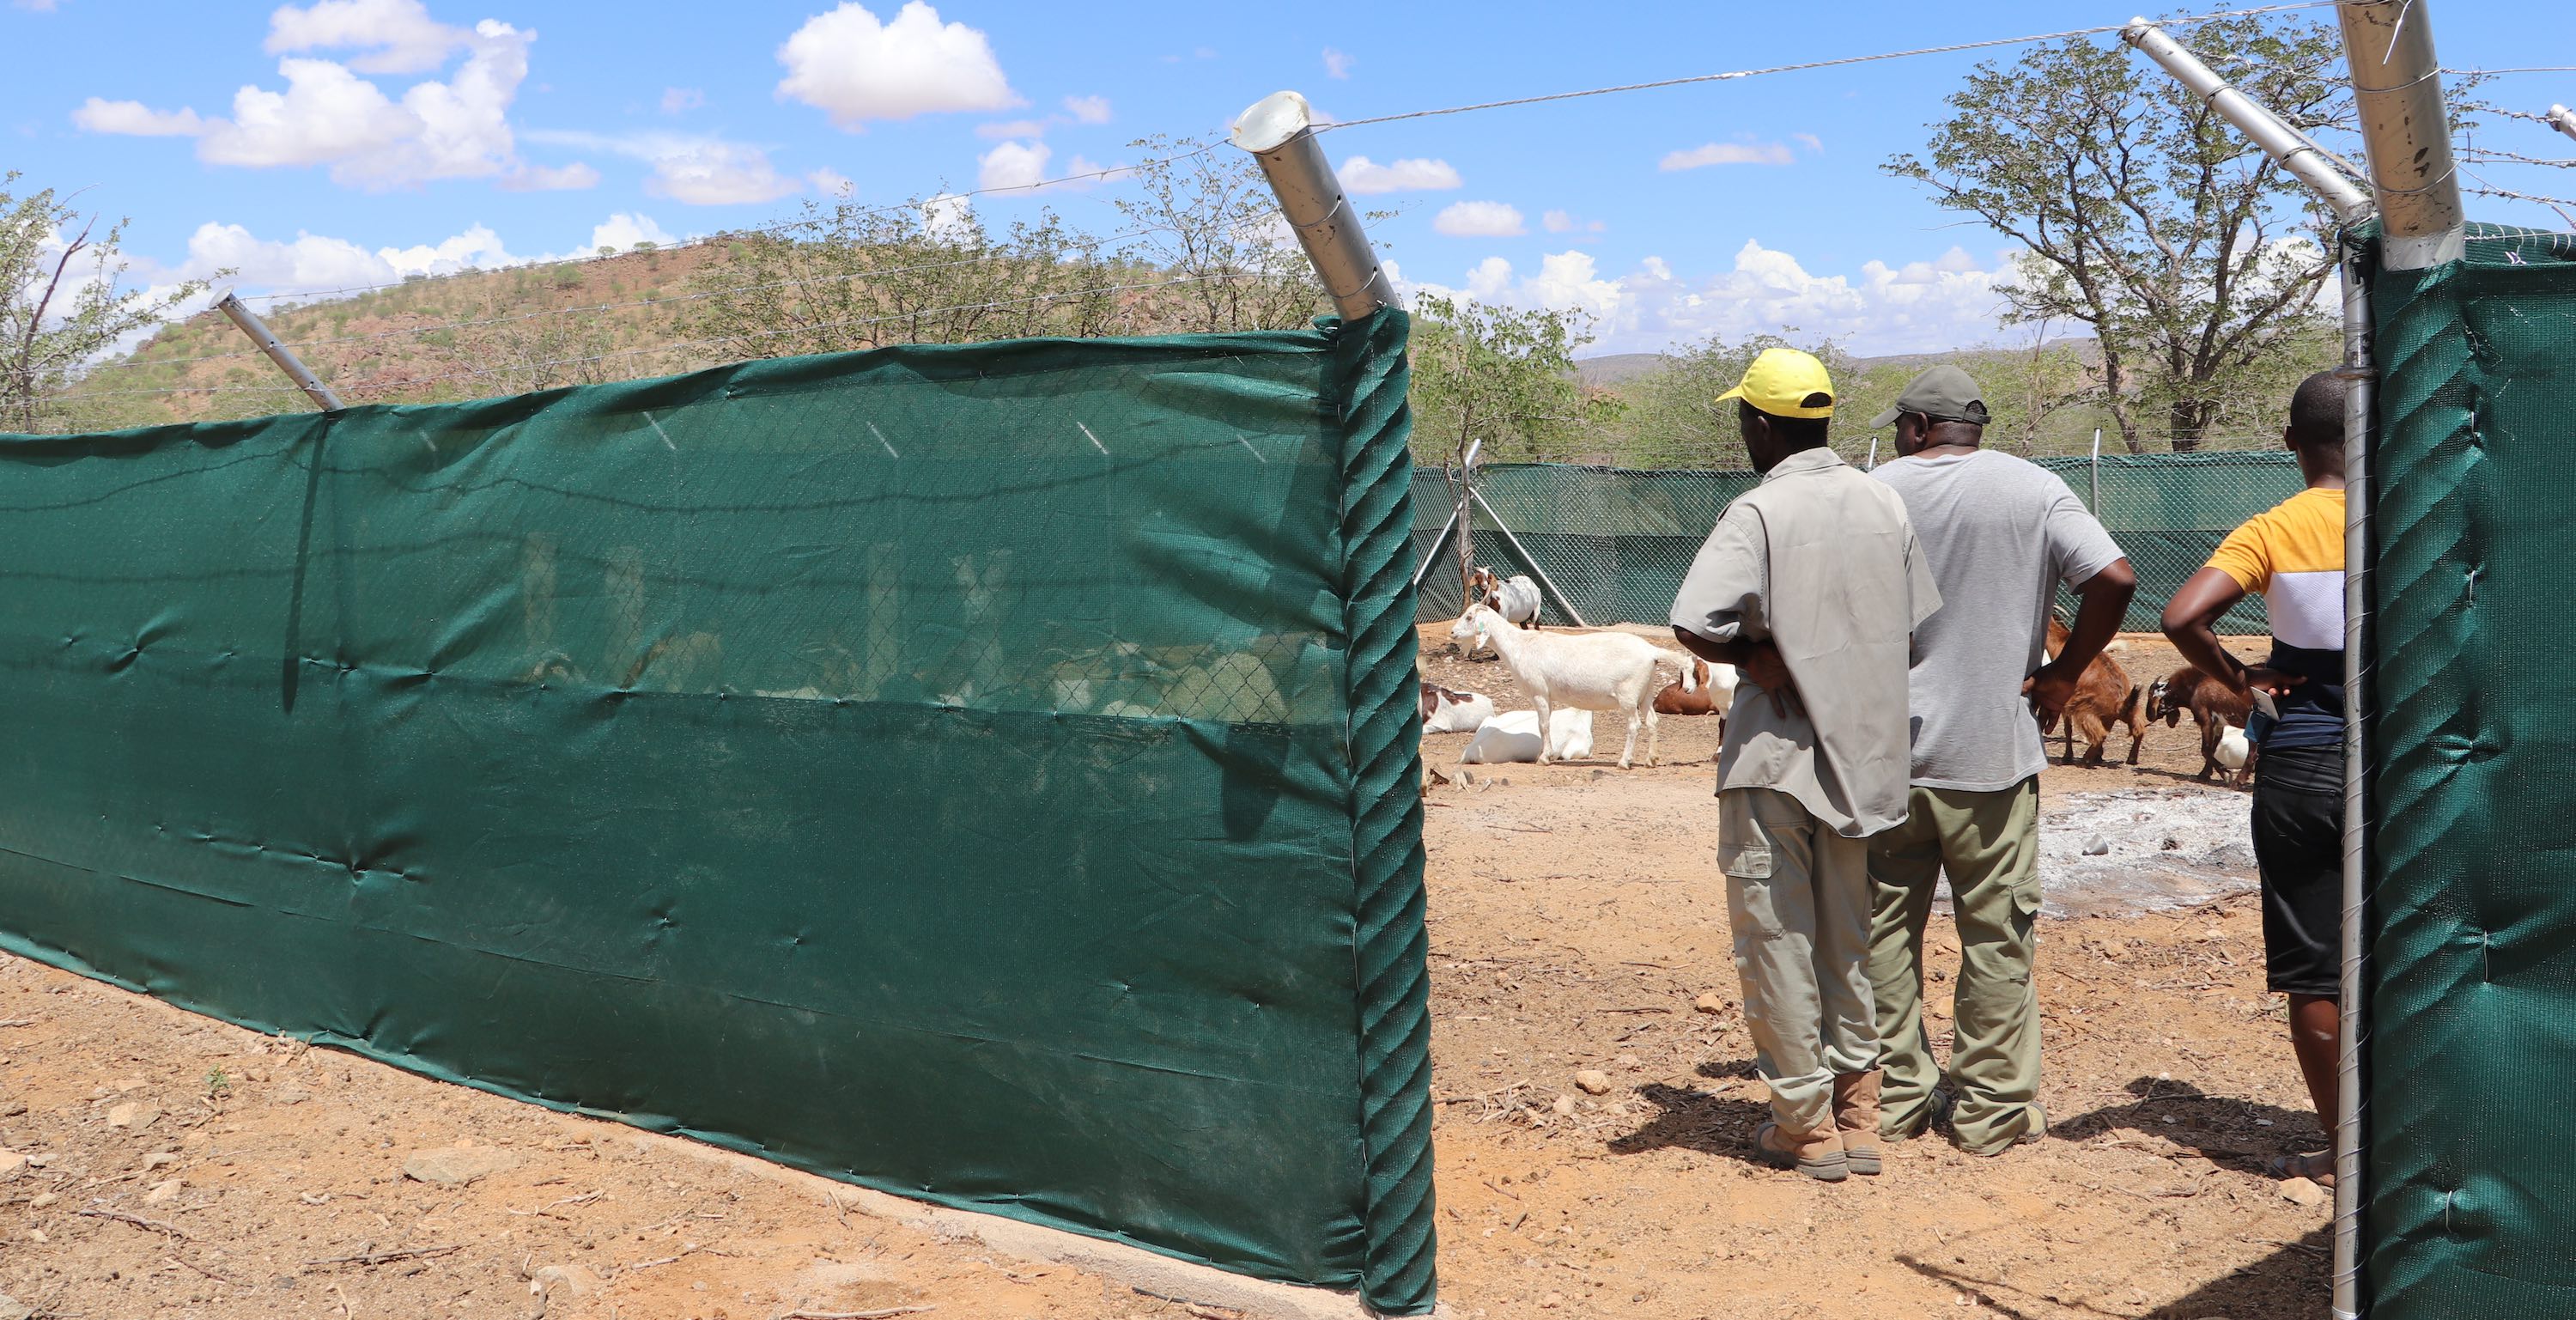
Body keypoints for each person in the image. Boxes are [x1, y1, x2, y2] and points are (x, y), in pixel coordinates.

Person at [1670, 348, 1941, 1183]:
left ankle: (1804, 1124)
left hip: (1774, 759)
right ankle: (1862, 1117)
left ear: (1758, 423)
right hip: (1861, 762)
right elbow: (1919, 632)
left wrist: (1759, 653)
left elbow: (1692, 621)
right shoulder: (1882, 504)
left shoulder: (1759, 510)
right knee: (1845, 939)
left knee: (1776, 938)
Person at [1862, 366, 2137, 1156]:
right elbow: (2114, 577)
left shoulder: (1877, 490)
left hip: (1886, 756)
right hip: (1992, 754)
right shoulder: (2036, 488)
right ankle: (1989, 1112)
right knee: (1996, 935)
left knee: (1881, 931)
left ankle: (1895, 1097)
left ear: (1917, 427)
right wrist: (2062, 672)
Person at [2160, 370, 2348, 1183]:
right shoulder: (2419, 516)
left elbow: (2179, 617)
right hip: (2413, 765)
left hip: (2306, 765)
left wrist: (2243, 675)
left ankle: (2348, 1151)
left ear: (2291, 445)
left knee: (2316, 967)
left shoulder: (2274, 528)